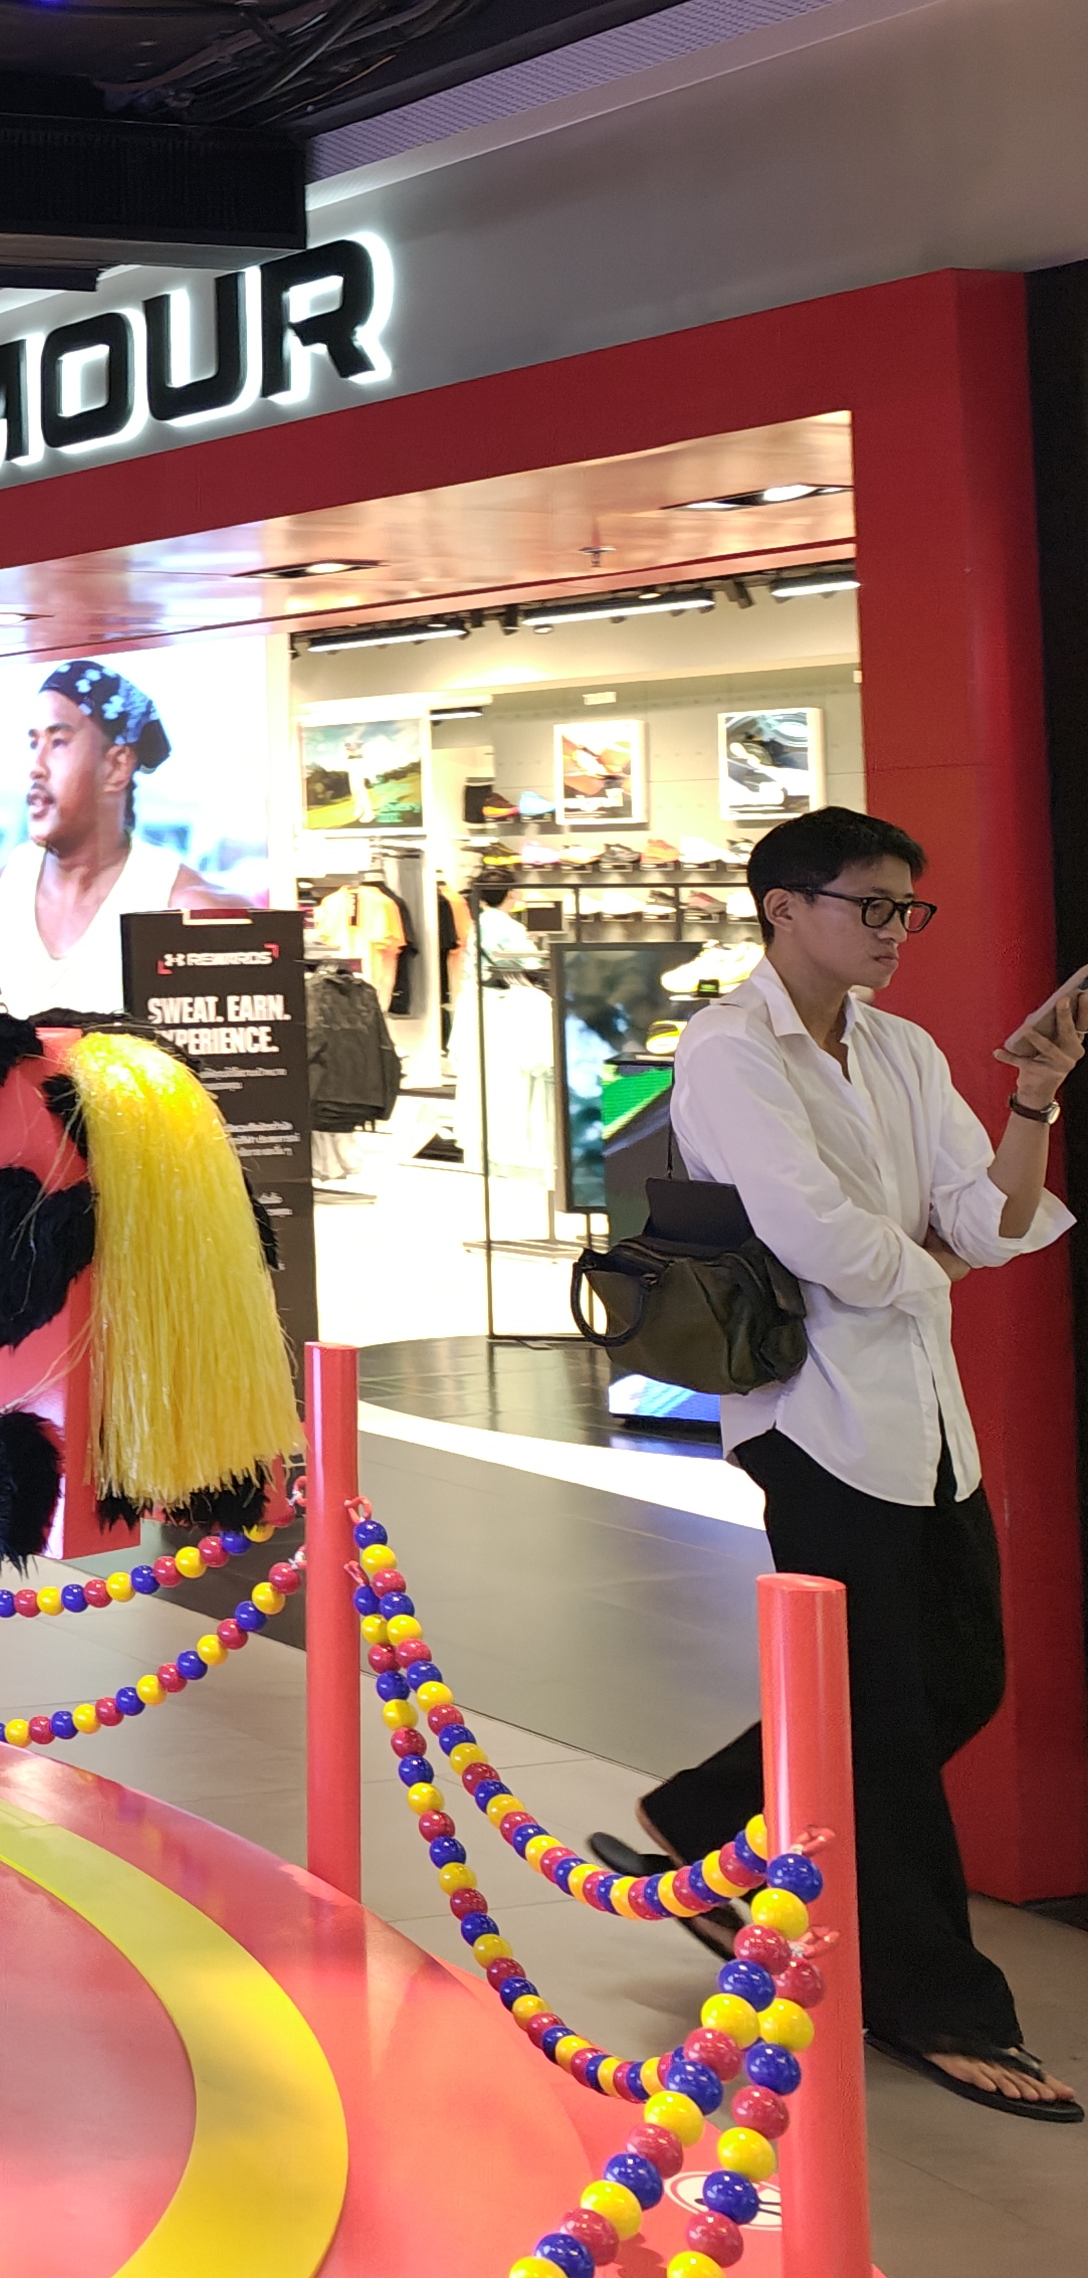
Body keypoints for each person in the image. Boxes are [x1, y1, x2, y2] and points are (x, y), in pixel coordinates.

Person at [597, 807, 1081, 2122]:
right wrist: (932, 1260)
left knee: (958, 1677)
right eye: (871, 905)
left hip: (923, 1417)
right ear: (782, 908)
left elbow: (992, 1217)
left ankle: (710, 1815)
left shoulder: (901, 1049)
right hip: (811, 1421)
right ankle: (939, 2003)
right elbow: (826, 1245)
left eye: (905, 909)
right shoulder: (728, 1052)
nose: (895, 931)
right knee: (887, 1722)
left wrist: (1030, 1101)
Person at [0, 660, 251, 1016]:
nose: (35, 767)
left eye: (58, 742)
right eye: (33, 743)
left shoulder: (184, 910)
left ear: (117, 766)